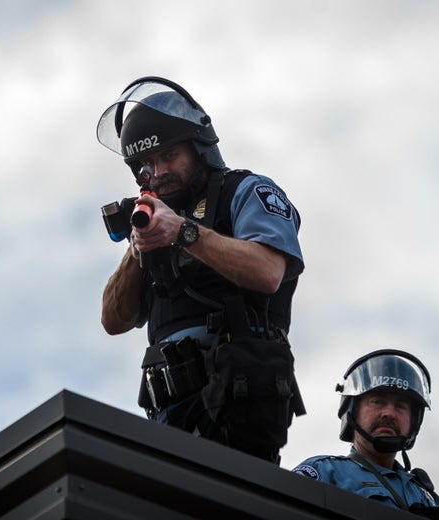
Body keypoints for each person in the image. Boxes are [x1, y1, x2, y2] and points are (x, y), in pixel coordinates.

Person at [96, 76, 306, 464]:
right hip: (164, 420)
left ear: (199, 147)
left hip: (237, 408)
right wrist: (136, 245)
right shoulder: (154, 219)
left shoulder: (245, 192)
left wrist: (184, 232)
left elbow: (268, 271)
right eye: (147, 164)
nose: (158, 171)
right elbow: (113, 320)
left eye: (169, 155)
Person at [292, 349, 439, 519]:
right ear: (352, 411)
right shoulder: (324, 472)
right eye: (378, 402)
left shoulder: (427, 497)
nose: (389, 413)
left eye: (400, 405)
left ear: (414, 421)